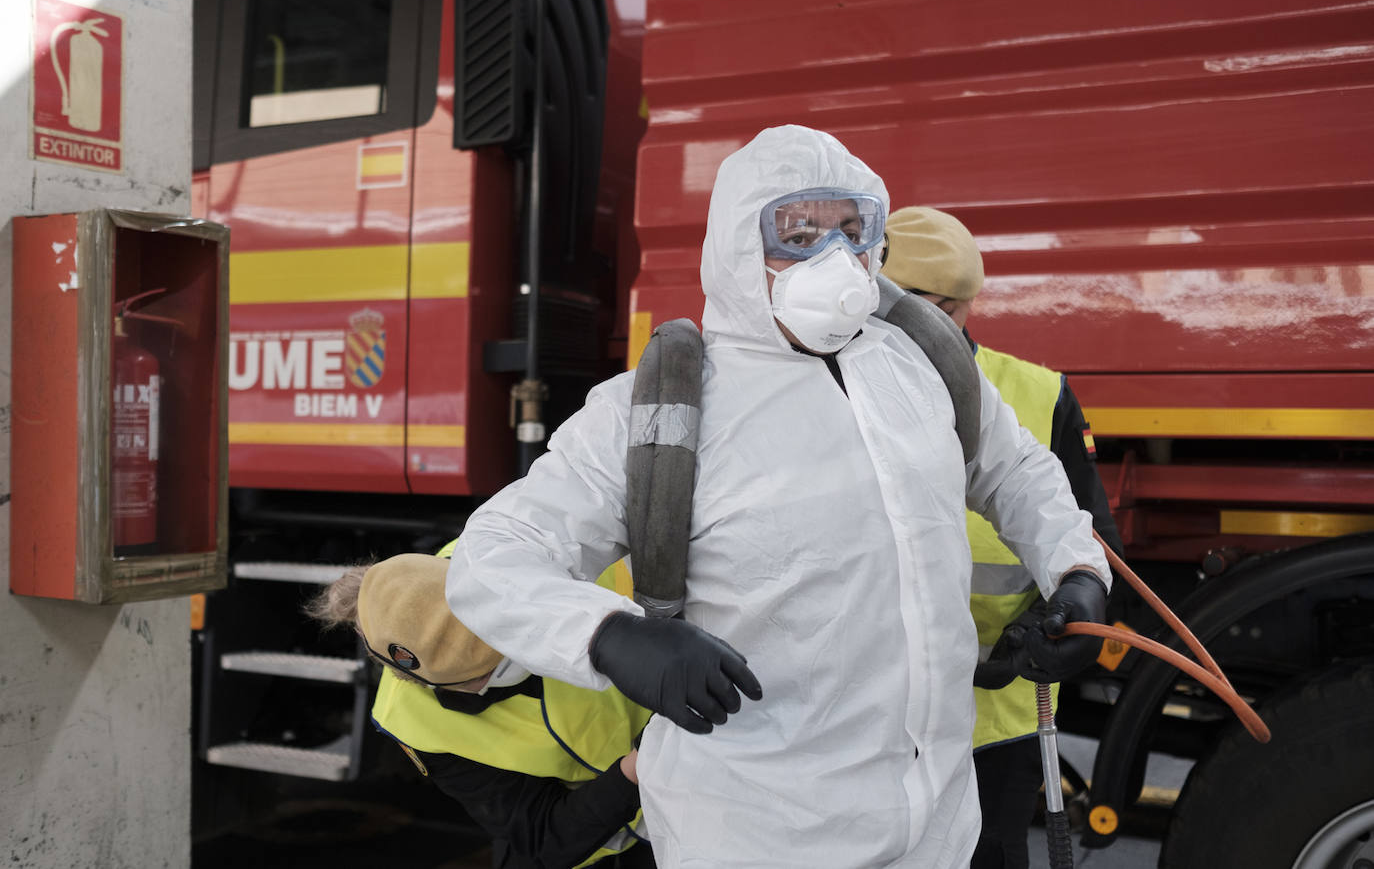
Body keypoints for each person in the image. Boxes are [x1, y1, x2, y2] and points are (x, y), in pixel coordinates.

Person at [444, 124, 1111, 868]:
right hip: (754, 834)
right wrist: (608, 634)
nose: (831, 257)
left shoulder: (918, 366)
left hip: (936, 824)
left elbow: (1018, 471)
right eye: (795, 234)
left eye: (851, 231)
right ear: (735, 246)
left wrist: (1076, 572)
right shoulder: (661, 410)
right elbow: (494, 557)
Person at [881, 205, 1126, 869]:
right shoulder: (836, 389)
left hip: (993, 727)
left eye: (934, 310)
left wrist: (1070, 611)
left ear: (961, 308)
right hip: (869, 720)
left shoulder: (1033, 396)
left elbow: (1093, 544)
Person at [306, 551, 655, 869]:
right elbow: (543, 834)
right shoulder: (414, 722)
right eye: (494, 670)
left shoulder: (511, 544)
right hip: (628, 818)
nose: (518, 659)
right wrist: (640, 766)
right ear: (432, 685)